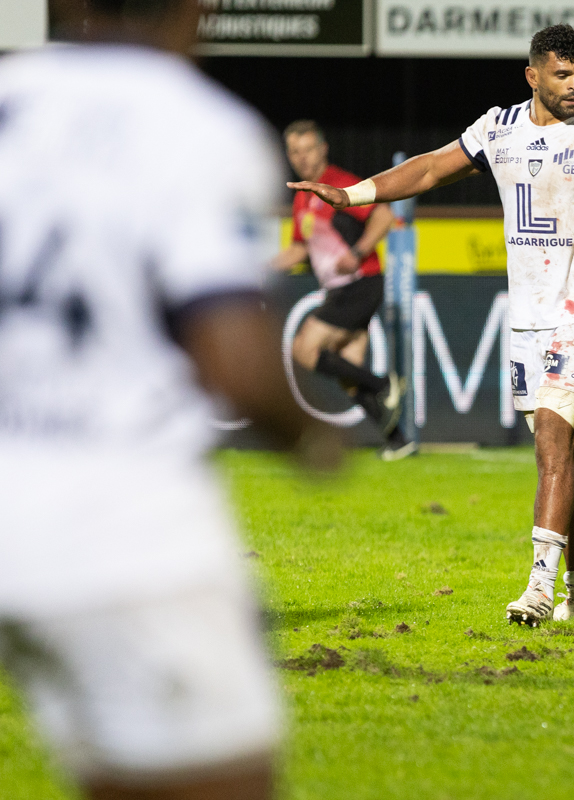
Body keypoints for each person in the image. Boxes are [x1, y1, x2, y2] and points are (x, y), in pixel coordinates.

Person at [0, 0, 342, 797]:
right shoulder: (197, 127)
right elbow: (234, 361)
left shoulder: (11, 96)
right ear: (200, 8)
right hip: (122, 531)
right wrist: (312, 439)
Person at [289, 24, 574, 626]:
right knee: (564, 455)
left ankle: (538, 589)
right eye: (562, 75)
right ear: (533, 75)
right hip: (529, 317)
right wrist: (353, 196)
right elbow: (431, 169)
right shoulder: (498, 128)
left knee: (553, 441)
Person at [273, 120, 411, 459]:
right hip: (342, 290)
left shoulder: (339, 184)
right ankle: (399, 440)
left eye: (308, 149)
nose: (302, 158)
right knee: (349, 371)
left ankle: (384, 385)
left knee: (304, 349)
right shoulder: (302, 198)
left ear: (323, 149)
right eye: (295, 152)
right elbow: (299, 249)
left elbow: (383, 213)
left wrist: (358, 252)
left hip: (360, 283)